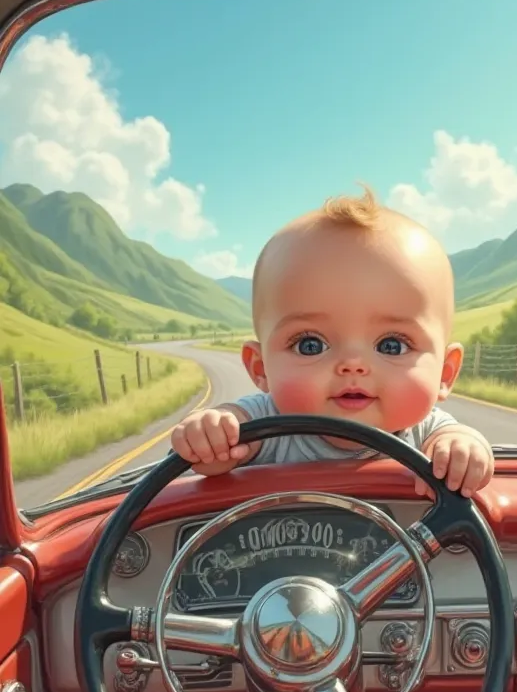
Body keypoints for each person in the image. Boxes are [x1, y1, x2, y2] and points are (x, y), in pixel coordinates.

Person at [171, 186, 493, 498]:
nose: (353, 364)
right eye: (309, 344)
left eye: (392, 345)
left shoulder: (426, 432)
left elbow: (461, 441)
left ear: (445, 373)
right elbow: (223, 441)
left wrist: (462, 452)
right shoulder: (263, 425)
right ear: (260, 368)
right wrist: (211, 436)